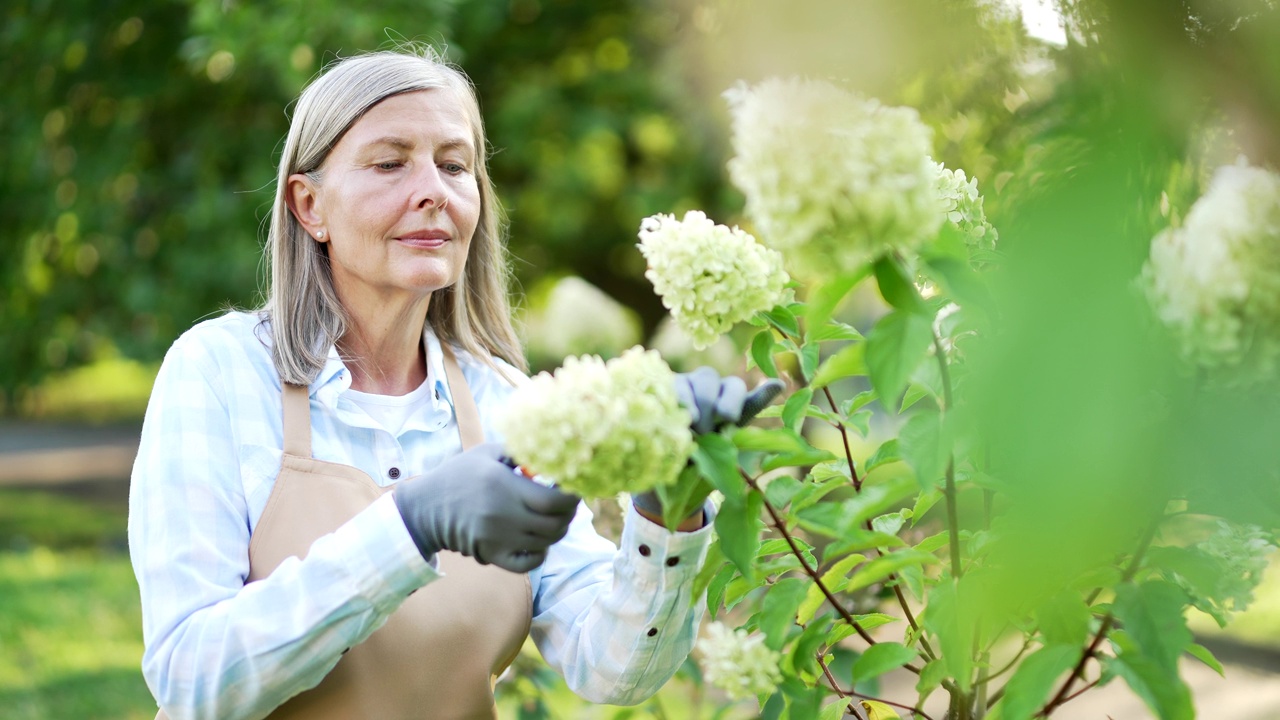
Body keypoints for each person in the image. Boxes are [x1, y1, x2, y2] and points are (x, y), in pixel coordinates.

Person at [128, 48, 778, 720]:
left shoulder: (505, 401)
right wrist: (409, 527)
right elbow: (191, 677)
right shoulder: (217, 374)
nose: (432, 189)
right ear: (309, 205)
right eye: (389, 162)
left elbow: (609, 668)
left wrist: (667, 514)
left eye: (453, 164)